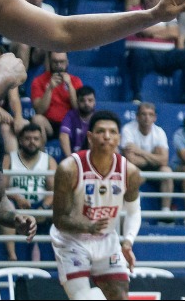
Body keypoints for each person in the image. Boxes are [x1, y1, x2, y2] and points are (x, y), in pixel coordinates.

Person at [49, 111, 142, 300]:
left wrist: (128, 242)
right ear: (90, 137)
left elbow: (133, 212)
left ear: (119, 138)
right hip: (71, 240)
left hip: (106, 239)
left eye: (112, 132)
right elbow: (59, 220)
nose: (107, 136)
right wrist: (87, 227)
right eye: (101, 131)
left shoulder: (130, 172)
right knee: (87, 298)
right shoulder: (69, 169)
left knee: (120, 296)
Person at [124, 0, 185, 103]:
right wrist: (163, 31)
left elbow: (175, 32)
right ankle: (136, 95)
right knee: (137, 54)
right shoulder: (134, 11)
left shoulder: (167, 12)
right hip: (143, 55)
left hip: (166, 55)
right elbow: (140, 30)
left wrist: (150, 33)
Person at [0, 122, 51, 262]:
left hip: (39, 205)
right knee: (4, 205)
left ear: (41, 141)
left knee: (59, 206)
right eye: (28, 139)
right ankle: (12, 255)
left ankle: (54, 261)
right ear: (20, 140)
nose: (31, 142)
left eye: (35, 139)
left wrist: (44, 207)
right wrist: (16, 197)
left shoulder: (48, 160)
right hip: (15, 205)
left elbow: (54, 191)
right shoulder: (9, 159)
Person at [120, 102, 172, 215]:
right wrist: (154, 156)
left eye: (150, 114)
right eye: (143, 114)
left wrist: (140, 152)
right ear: (137, 116)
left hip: (153, 168)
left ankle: (165, 212)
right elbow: (131, 160)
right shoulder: (128, 129)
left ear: (155, 118)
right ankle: (130, 211)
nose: (147, 118)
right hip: (135, 167)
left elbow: (164, 161)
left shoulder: (159, 132)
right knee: (134, 173)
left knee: (166, 171)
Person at [58, 85, 96, 157]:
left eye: (90, 100)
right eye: (82, 100)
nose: (86, 103)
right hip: (74, 158)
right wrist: (69, 159)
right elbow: (63, 136)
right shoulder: (70, 115)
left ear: (94, 102)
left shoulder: (98, 118)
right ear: (77, 102)